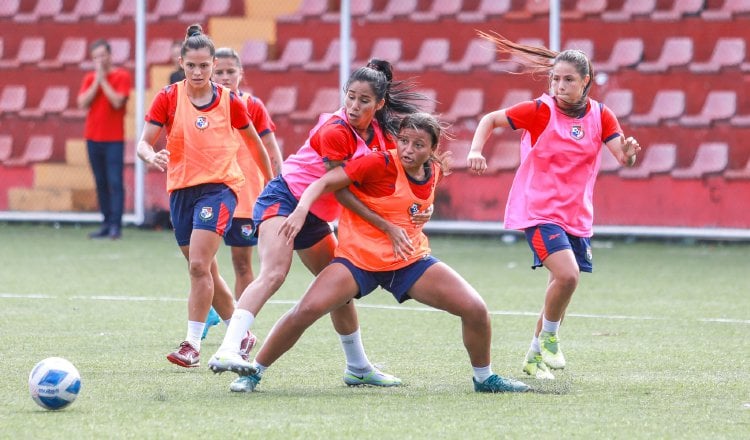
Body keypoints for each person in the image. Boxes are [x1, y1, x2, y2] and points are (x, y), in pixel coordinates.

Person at [211, 113, 531, 393]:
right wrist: (301, 210)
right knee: (305, 311)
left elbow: (419, 201)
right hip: (358, 260)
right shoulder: (378, 162)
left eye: (418, 145)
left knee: (475, 309)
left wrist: (427, 211)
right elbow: (326, 182)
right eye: (404, 140)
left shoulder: (433, 171)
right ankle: (254, 373)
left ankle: (484, 378)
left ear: (432, 151)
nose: (408, 149)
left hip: (409, 260)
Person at [208, 59, 431, 391]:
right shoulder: (336, 130)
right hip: (286, 199)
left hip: (315, 214)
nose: (354, 106)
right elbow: (339, 191)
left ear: (379, 104)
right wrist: (385, 226)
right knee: (274, 273)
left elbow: (398, 175)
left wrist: (421, 209)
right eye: (350, 97)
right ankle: (229, 348)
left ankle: (358, 367)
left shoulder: (383, 135)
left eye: (364, 100)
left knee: (339, 293)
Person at [466, 32, 641, 380]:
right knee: (567, 275)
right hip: (539, 210)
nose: (560, 86)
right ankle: (549, 339)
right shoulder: (538, 110)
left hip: (575, 215)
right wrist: (474, 151)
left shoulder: (602, 115)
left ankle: (534, 355)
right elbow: (490, 119)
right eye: (555, 79)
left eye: (568, 80)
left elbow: (623, 157)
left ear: (586, 82)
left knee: (558, 289)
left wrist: (631, 154)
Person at [136, 24, 274, 368]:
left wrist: (273, 187)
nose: (197, 72)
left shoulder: (231, 102)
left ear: (213, 65)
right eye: (191, 65)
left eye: (204, 65)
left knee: (199, 265)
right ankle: (239, 334)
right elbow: (143, 142)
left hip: (220, 189)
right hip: (181, 190)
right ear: (182, 64)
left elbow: (257, 146)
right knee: (206, 270)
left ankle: (191, 344)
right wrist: (151, 156)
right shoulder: (168, 97)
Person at [199, 47, 284, 340]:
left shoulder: (252, 105)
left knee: (241, 262)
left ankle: (240, 326)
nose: (224, 77)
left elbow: (271, 149)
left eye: (229, 72)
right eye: (218, 72)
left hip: (246, 197)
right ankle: (217, 306)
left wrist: (279, 184)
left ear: (240, 74)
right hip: (210, 192)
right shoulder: (202, 106)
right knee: (202, 261)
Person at [77, 39, 132, 240]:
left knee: (115, 181)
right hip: (92, 137)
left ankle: (116, 226)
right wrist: (96, 81)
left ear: (110, 55)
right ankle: (106, 223)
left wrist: (103, 81)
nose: (99, 60)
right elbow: (82, 102)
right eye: (95, 57)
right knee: (100, 182)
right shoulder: (89, 78)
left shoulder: (122, 76)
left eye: (102, 55)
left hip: (114, 139)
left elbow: (117, 101)